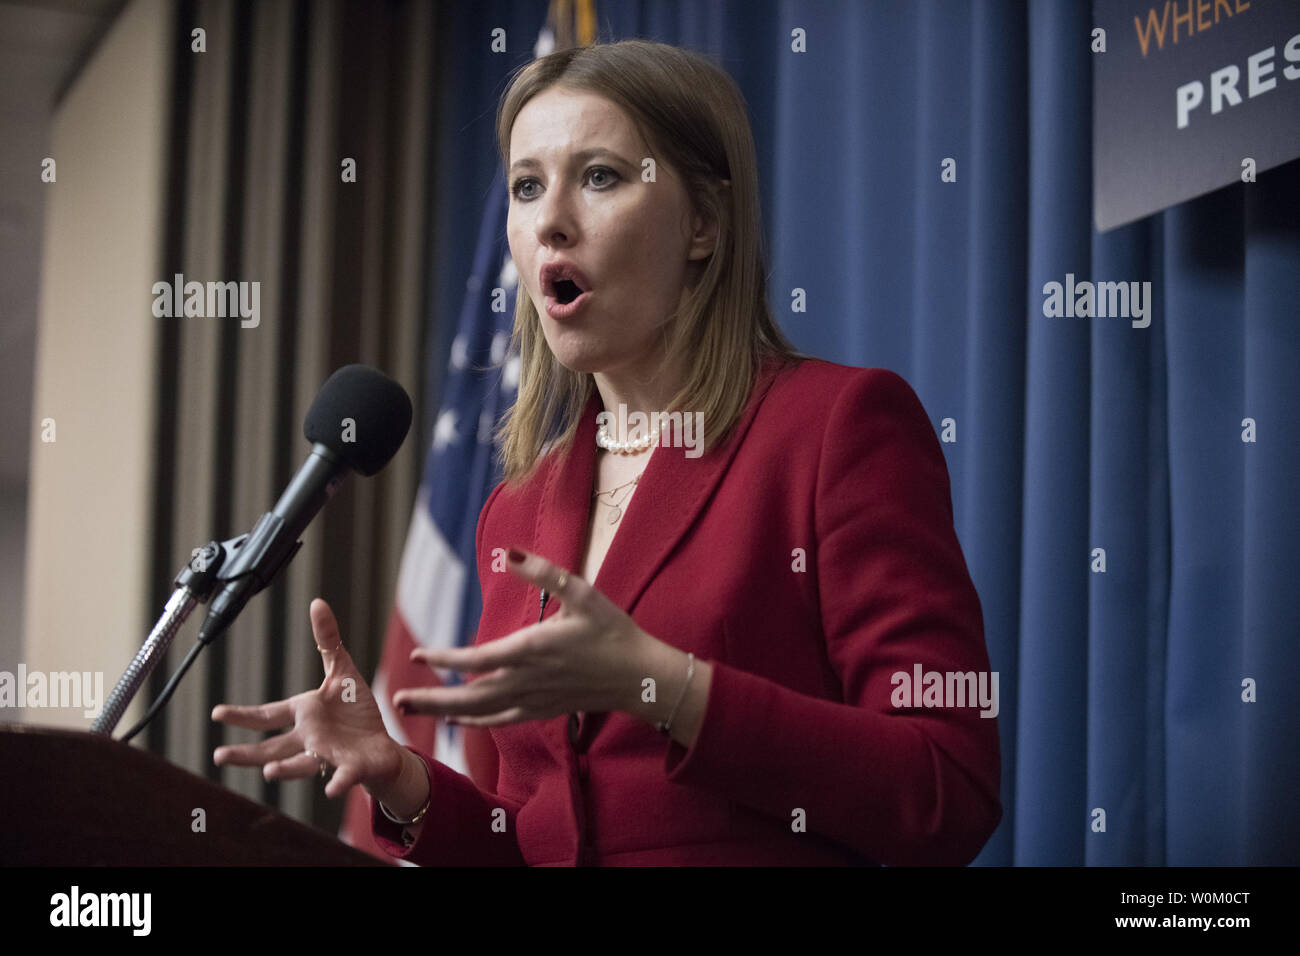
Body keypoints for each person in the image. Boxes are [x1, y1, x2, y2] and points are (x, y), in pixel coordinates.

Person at [212, 39, 1001, 866]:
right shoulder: (516, 509)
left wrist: (669, 687)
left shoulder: (836, 429)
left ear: (704, 222)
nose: (550, 217)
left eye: (599, 176)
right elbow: (532, 835)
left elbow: (949, 790)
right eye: (526, 186)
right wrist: (403, 781)